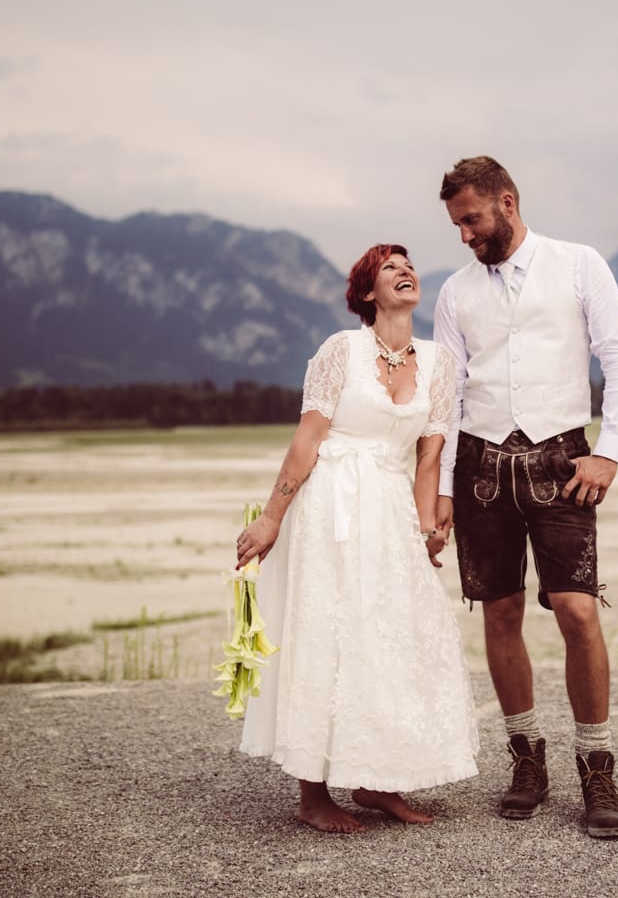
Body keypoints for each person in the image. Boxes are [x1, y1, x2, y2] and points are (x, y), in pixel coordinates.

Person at [234, 243, 479, 834]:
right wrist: (271, 517)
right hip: (331, 508)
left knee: (391, 635)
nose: (405, 270)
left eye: (408, 263)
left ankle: (377, 779)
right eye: (388, 267)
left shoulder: (441, 363)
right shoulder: (339, 350)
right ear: (368, 293)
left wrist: (427, 532)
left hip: (393, 511)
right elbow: (308, 439)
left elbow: (429, 457)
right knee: (330, 633)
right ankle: (313, 793)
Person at [431, 156, 618, 839]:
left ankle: (596, 763)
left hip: (563, 459)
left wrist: (608, 450)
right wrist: (438, 491)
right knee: (500, 613)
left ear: (508, 202)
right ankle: (525, 758)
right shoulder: (454, 293)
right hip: (479, 465)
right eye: (457, 223)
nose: (464, 234)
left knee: (578, 612)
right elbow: (445, 397)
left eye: (472, 219)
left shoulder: (580, 265)